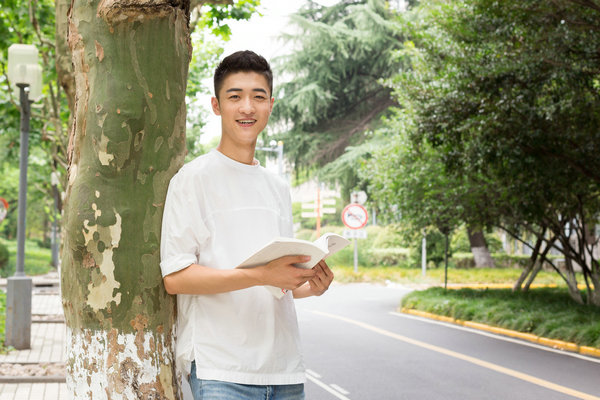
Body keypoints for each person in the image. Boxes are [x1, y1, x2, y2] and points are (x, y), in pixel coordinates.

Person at [160, 50, 334, 400]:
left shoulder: (277, 187)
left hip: (284, 370)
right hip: (221, 372)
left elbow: (276, 285)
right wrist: (261, 275)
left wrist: (309, 285)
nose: (247, 108)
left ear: (271, 104)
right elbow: (175, 278)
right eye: (234, 96)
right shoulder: (192, 179)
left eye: (258, 97)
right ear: (216, 105)